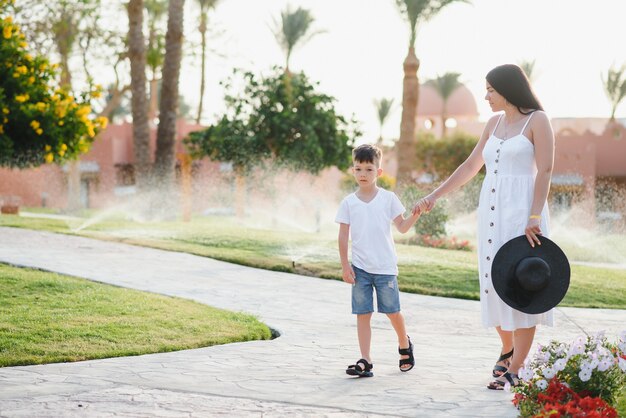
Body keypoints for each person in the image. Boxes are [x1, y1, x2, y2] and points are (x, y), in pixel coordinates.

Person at [415, 64, 555, 390]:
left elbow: (546, 170)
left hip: (523, 216)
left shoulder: (538, 120)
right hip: (492, 215)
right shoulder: (492, 124)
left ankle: (516, 368)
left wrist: (534, 216)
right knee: (495, 284)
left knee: (525, 286)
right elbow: (470, 166)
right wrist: (434, 196)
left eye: (491, 89)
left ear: (507, 89)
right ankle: (507, 348)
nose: (486, 95)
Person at [336, 144, 423, 378]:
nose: (363, 174)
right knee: (362, 314)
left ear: (379, 172)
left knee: (392, 311)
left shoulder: (388, 199)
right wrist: (345, 265)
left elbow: (402, 227)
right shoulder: (348, 203)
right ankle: (366, 360)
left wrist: (415, 213)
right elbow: (343, 236)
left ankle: (404, 344)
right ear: (352, 171)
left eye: (368, 169)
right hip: (360, 269)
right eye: (358, 169)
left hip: (385, 268)